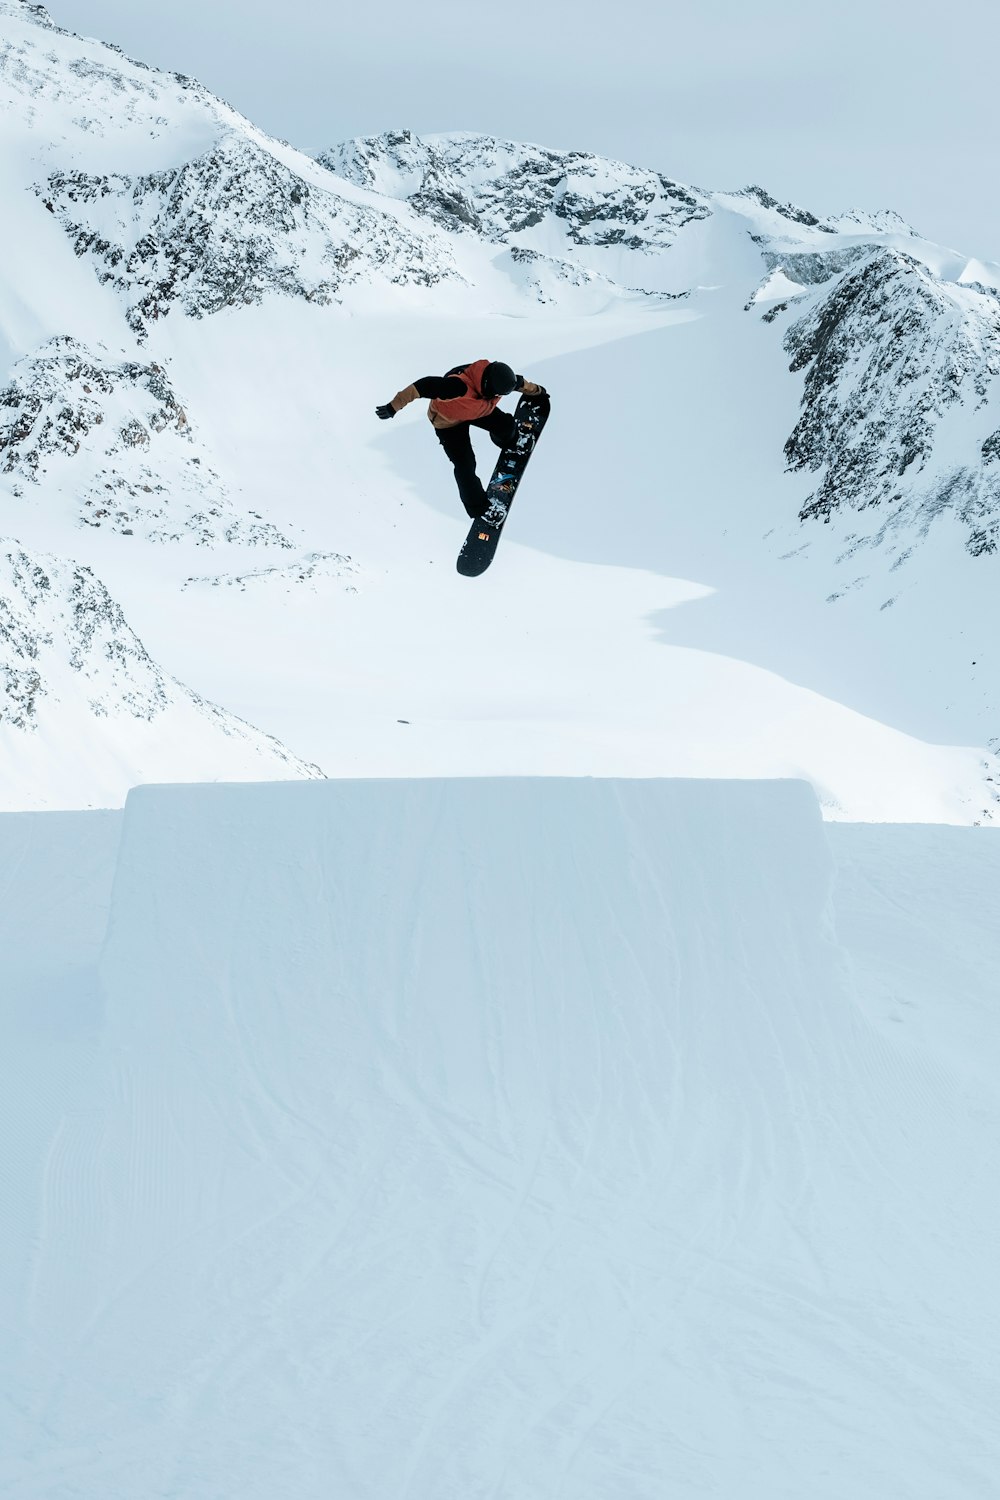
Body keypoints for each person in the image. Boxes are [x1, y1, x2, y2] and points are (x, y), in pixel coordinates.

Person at [376, 359, 547, 519]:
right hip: (448, 423)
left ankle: (510, 442)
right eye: (496, 393)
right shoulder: (455, 387)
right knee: (465, 465)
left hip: (476, 410)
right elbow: (422, 386)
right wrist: (393, 407)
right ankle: (479, 508)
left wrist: (538, 392)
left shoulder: (499, 379)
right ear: (488, 386)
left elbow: (521, 384)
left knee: (507, 427)